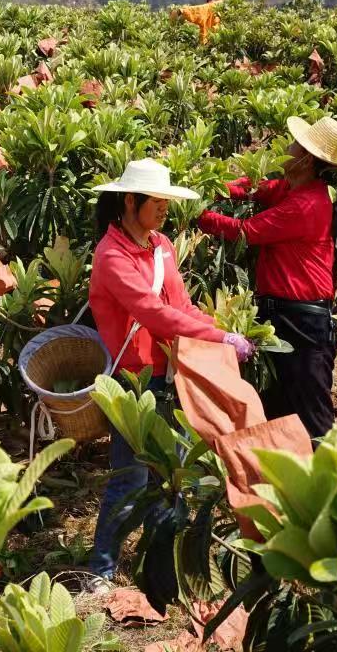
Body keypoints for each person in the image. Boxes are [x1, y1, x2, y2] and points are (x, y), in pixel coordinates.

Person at [86, 158, 255, 591]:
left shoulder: (161, 244)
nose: (164, 209)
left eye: (166, 201)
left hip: (170, 371)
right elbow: (152, 313)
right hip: (134, 380)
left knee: (173, 473)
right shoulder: (111, 255)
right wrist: (219, 338)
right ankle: (101, 569)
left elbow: (179, 306)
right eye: (157, 201)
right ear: (130, 201)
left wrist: (218, 332)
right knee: (130, 476)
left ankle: (160, 568)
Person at [196, 116, 337, 439]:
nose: (285, 149)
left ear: (305, 159)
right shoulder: (292, 189)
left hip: (303, 319)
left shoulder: (308, 203)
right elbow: (253, 190)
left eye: (293, 145)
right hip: (283, 313)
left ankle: (334, 482)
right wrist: (210, 185)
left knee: (311, 414)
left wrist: (198, 215)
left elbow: (245, 232)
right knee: (278, 407)